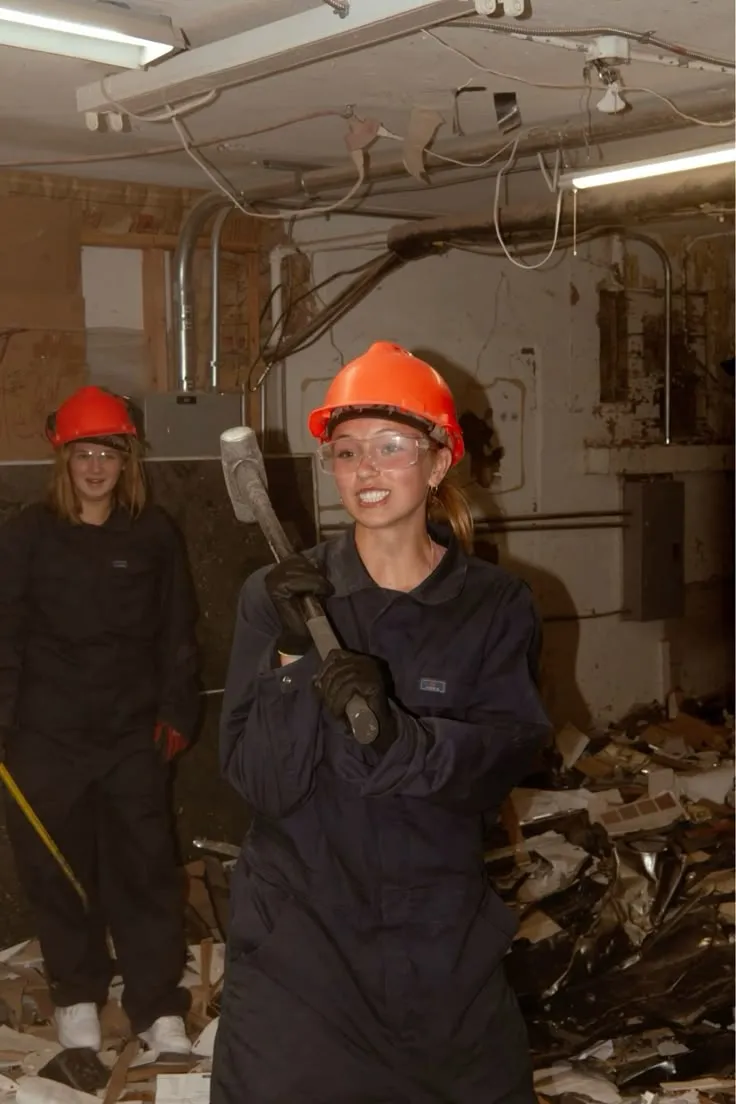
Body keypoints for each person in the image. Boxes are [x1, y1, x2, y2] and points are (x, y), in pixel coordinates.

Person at [214, 342, 551, 1103]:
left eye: (391, 447)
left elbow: (500, 759)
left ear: (438, 464)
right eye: (347, 451)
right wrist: (298, 660)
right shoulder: (277, 598)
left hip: (438, 954)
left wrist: (401, 740)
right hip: (300, 954)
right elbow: (259, 782)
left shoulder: (493, 607)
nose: (365, 468)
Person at [0, 386, 200, 1056]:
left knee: (145, 869)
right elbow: (4, 633)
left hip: (129, 737)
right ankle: (76, 995)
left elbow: (177, 630)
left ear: (127, 461)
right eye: (83, 453)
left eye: (107, 454)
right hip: (44, 737)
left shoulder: (152, 535)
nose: (94, 467)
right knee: (59, 872)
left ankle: (156, 1005)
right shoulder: (27, 534)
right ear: (63, 460)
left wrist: (177, 711)